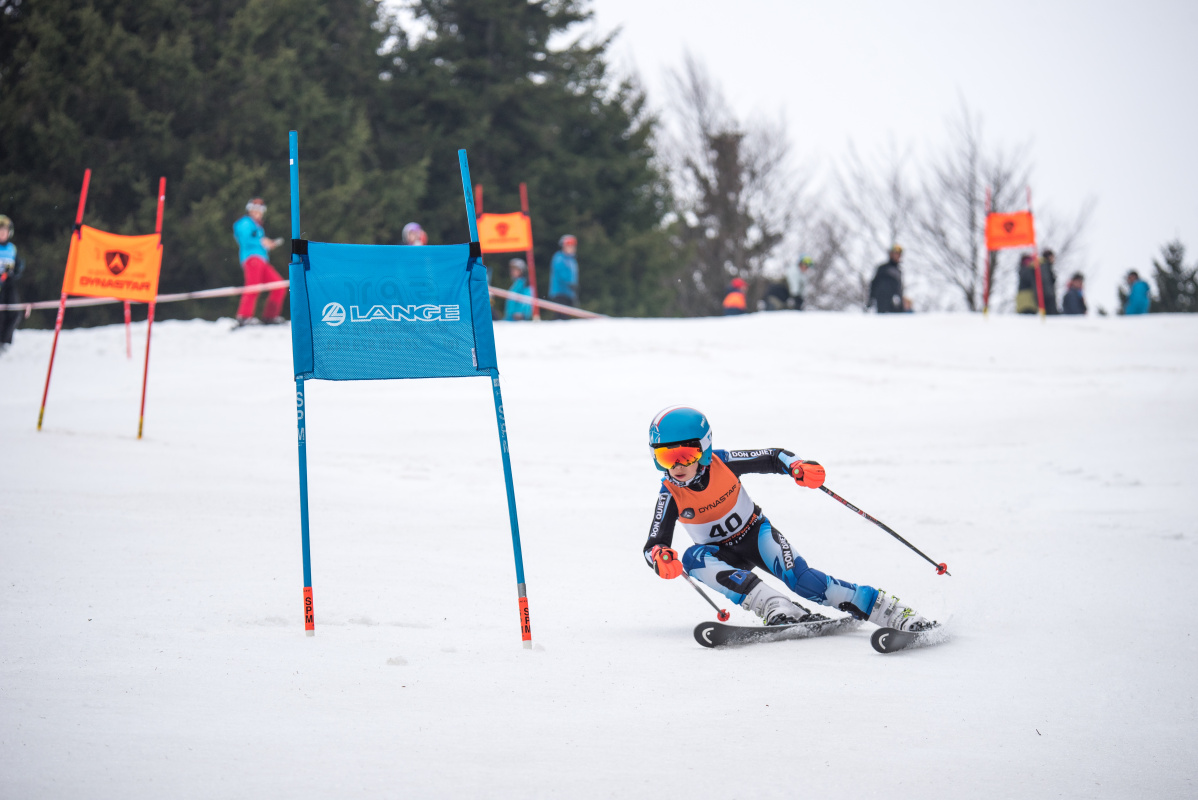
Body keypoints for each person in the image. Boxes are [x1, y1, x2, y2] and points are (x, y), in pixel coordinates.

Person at [643, 406, 935, 632]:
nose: (677, 466)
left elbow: (773, 456)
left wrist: (797, 466)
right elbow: (653, 545)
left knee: (805, 581)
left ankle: (892, 612)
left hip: (756, 536)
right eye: (666, 457)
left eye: (686, 454)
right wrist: (660, 557)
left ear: (705, 448)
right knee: (693, 558)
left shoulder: (724, 462)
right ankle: (777, 607)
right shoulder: (670, 494)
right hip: (721, 557)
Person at [232, 198, 287, 326]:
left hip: (262, 260)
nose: (257, 212)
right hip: (252, 259)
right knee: (253, 287)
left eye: (260, 210)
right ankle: (244, 317)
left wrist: (267, 244)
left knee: (278, 285)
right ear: (249, 210)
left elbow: (256, 241)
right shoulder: (246, 222)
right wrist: (262, 242)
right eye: (254, 209)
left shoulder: (257, 226)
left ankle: (270, 316)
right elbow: (244, 239)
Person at [0, 214, 26, 349]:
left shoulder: (12, 248)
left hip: (8, 285)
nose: (2, 233)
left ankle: (5, 341)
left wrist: (15, 272)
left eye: (4, 230)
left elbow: (18, 266)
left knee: (15, 312)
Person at [547, 234, 578, 318]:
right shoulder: (559, 257)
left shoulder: (572, 260)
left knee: (567, 316)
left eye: (572, 246)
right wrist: (570, 283)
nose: (571, 248)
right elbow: (560, 272)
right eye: (568, 246)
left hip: (569, 293)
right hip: (559, 292)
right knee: (561, 316)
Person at [868, 245, 904, 313]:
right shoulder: (883, 268)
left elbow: (899, 289)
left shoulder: (898, 271)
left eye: (899, 254)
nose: (897, 256)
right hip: (883, 303)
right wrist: (871, 299)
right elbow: (874, 284)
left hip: (896, 305)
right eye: (895, 254)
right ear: (891, 254)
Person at [1040, 249, 1060, 315]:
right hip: (1048, 296)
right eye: (1052, 257)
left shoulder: (1046, 267)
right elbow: (1045, 281)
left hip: (1048, 295)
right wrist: (1049, 295)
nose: (1053, 259)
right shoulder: (1044, 267)